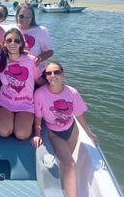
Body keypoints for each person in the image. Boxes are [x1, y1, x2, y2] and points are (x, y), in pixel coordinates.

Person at [31, 61, 97, 197]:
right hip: (54, 133)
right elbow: (37, 117)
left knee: (66, 161)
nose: (53, 75)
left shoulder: (72, 92)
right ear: (45, 77)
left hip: (72, 129)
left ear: (63, 74)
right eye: (49, 73)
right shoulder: (39, 94)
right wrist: (37, 133)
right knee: (70, 164)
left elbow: (78, 114)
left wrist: (89, 133)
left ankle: (63, 185)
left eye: (57, 72)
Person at [0, 28, 45, 140]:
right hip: (5, 101)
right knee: (4, 132)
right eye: (9, 40)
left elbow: (38, 80)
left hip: (25, 103)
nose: (12, 43)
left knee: (21, 134)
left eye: (16, 40)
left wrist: (55, 89)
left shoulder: (31, 60)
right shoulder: (0, 60)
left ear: (21, 43)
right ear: (4, 43)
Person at [16, 2, 53, 73]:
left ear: (32, 17)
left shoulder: (41, 30)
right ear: (17, 16)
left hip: (37, 72)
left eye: (28, 16)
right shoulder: (10, 29)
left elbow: (50, 52)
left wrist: (37, 59)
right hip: (17, 72)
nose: (24, 19)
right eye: (21, 16)